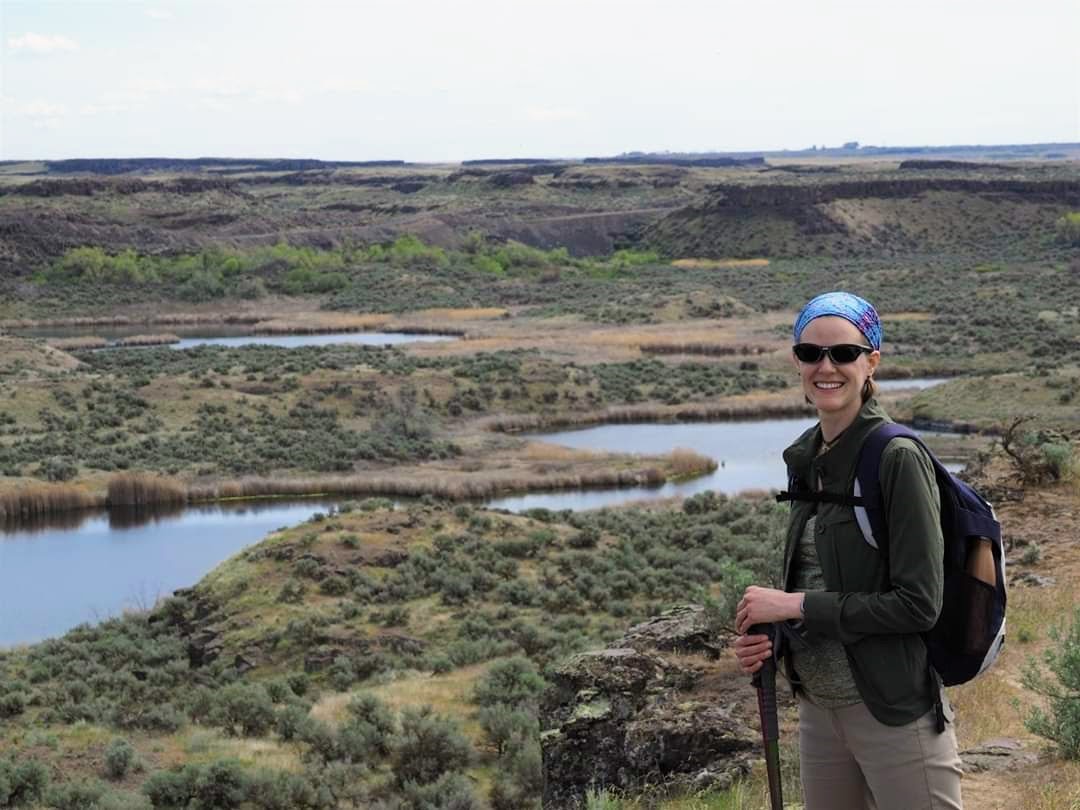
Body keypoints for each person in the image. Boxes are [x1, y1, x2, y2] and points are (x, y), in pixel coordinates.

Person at [732, 291, 963, 810]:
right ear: (797, 361)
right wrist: (772, 638)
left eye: (844, 353)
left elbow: (919, 604)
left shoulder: (896, 458)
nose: (825, 367)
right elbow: (821, 581)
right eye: (811, 353)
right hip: (818, 711)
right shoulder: (808, 457)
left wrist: (794, 606)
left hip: (891, 710)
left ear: (871, 360)